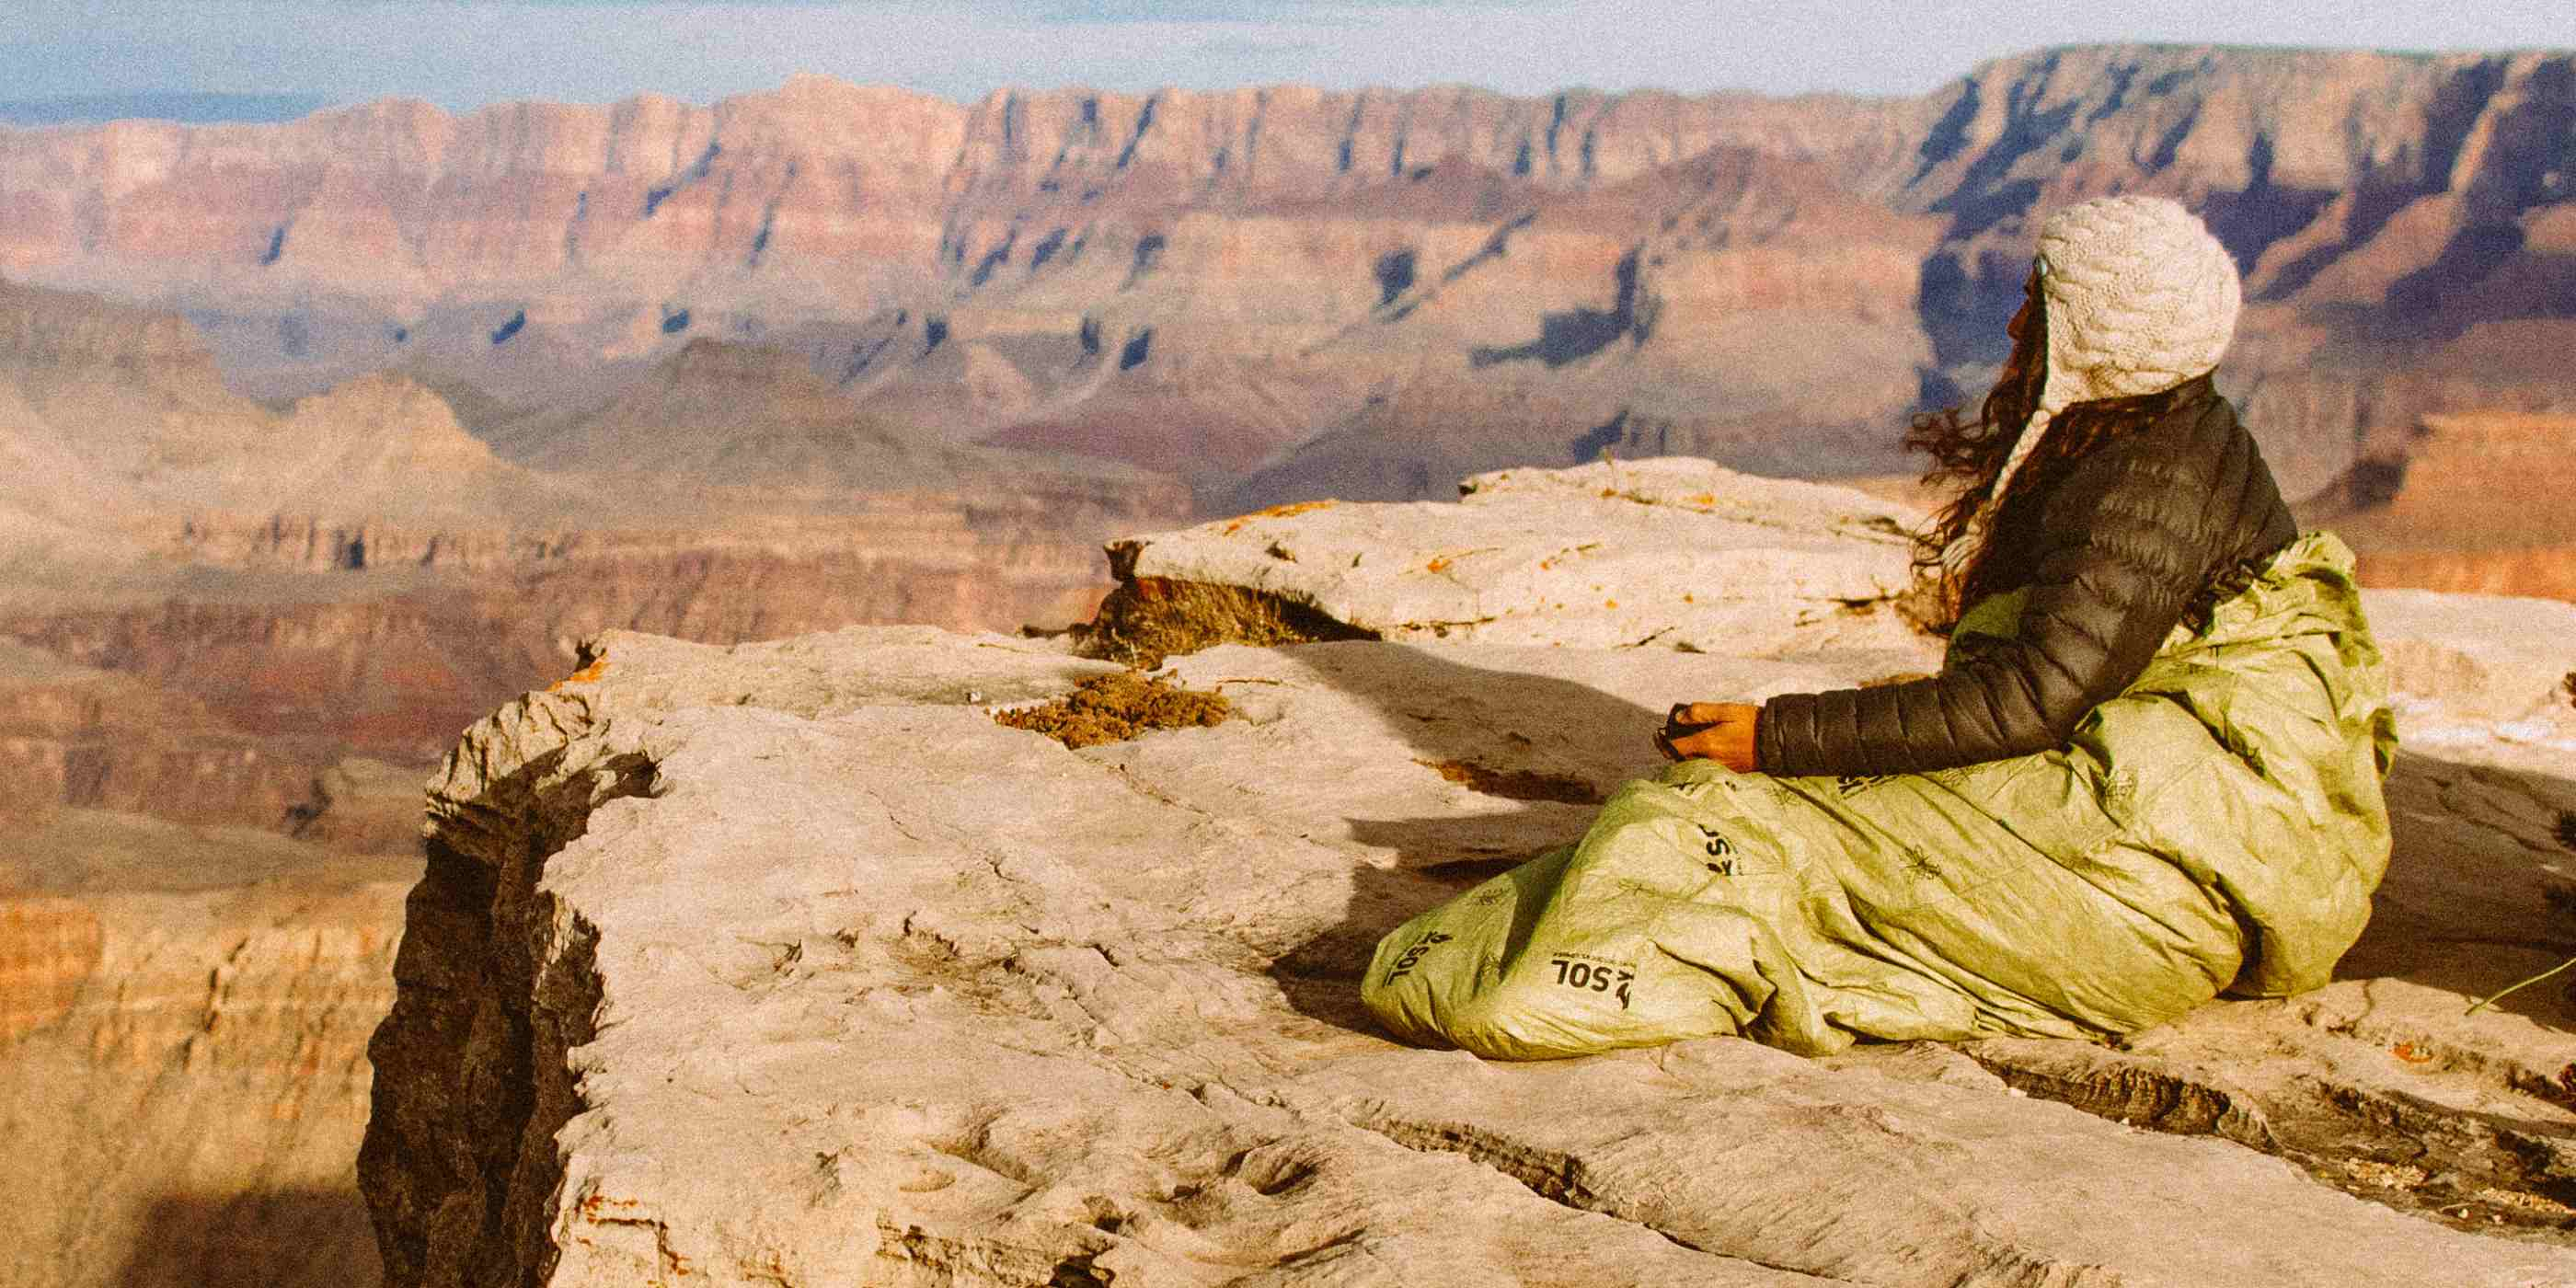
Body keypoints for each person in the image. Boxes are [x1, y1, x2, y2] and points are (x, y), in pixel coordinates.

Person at [1363, 196, 2399, 1059]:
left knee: (1732, 814)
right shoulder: (2159, 429)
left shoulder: (2141, 487)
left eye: (2035, 308)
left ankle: (1530, 983)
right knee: (1739, 806)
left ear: (2095, 341)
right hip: (2158, 813)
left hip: (2149, 878)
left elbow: (2029, 700)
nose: (2009, 330)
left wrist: (1777, 735)